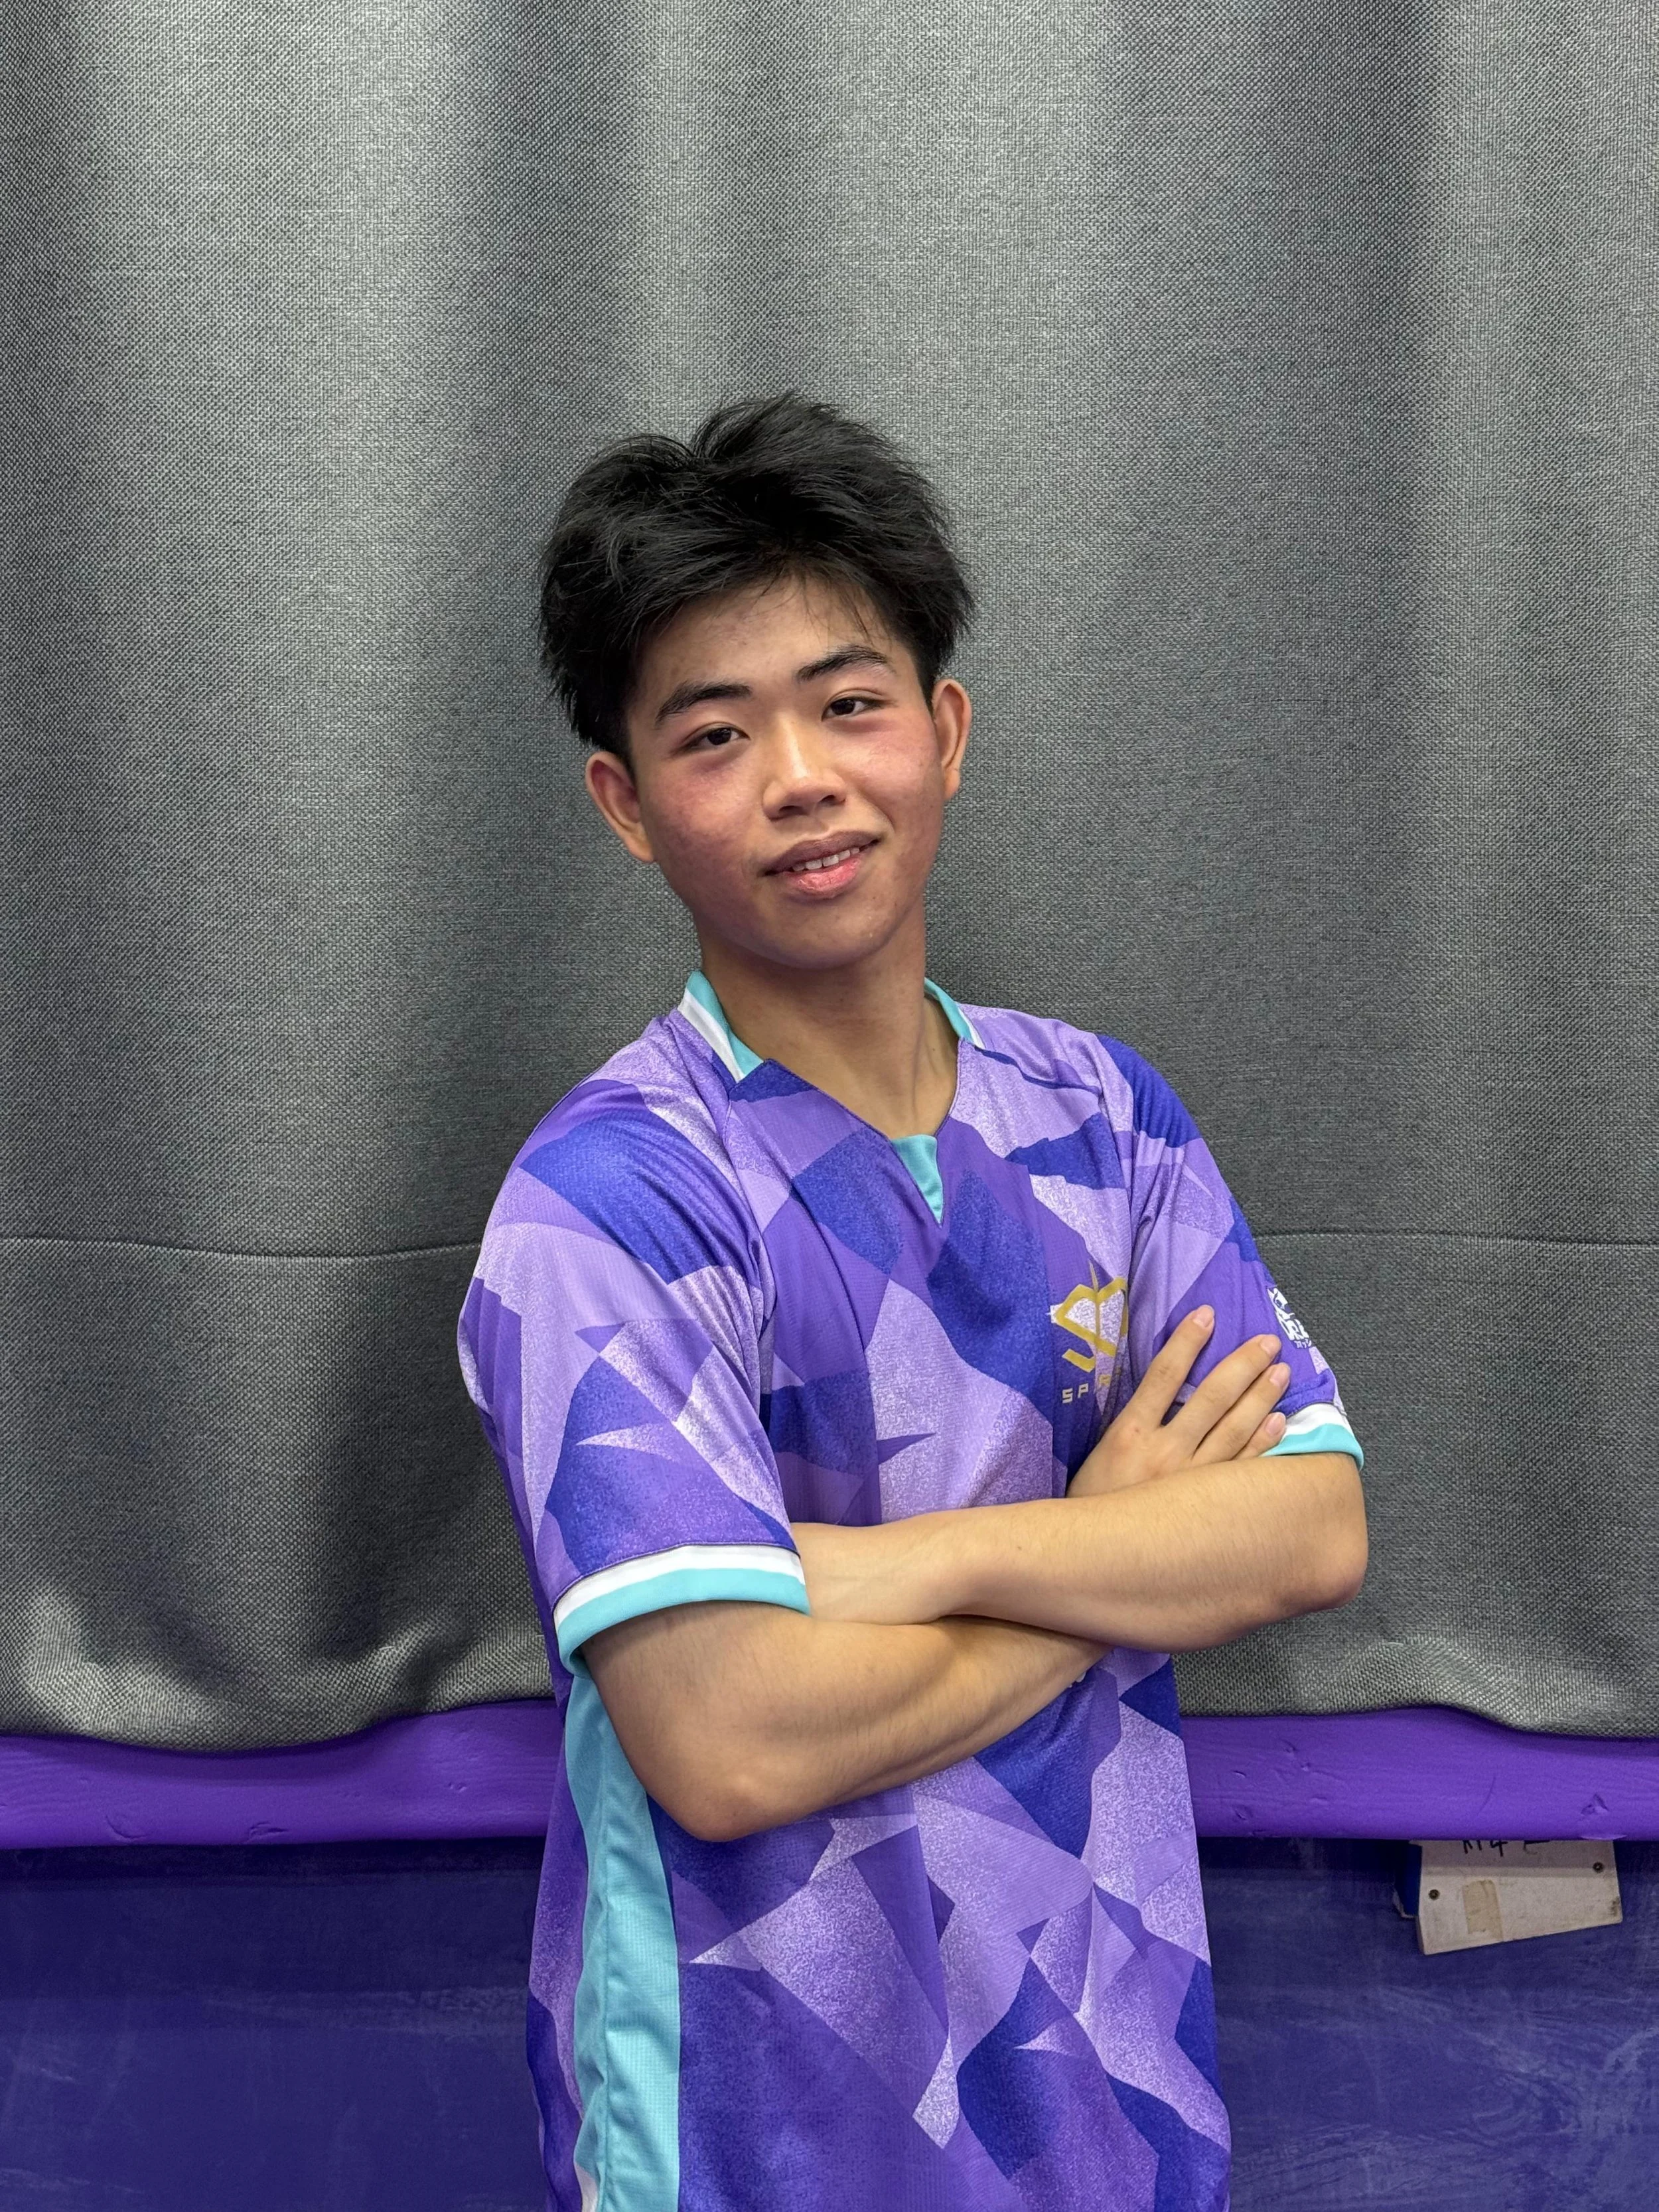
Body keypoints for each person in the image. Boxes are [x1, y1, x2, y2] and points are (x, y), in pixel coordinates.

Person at [457, 391, 1368, 2212]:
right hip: (753, 2127)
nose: (801, 775)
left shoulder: (1103, 1116)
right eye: (715, 734)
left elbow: (1308, 1528)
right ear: (625, 805)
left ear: (944, 733)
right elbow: (729, 1744)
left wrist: (876, 1567)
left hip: (1108, 2088)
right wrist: (1108, 1542)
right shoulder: (609, 1201)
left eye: (849, 702)